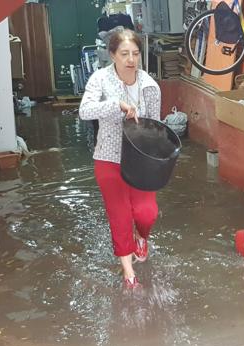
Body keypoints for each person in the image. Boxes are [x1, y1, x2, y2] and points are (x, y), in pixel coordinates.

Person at [79, 28, 161, 288]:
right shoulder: (100, 80)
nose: (131, 59)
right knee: (120, 214)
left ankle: (142, 236)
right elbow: (85, 111)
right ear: (112, 54)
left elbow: (155, 126)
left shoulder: (150, 86)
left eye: (135, 53)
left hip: (141, 161)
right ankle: (128, 272)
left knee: (147, 213)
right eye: (124, 53)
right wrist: (115, 105)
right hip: (108, 157)